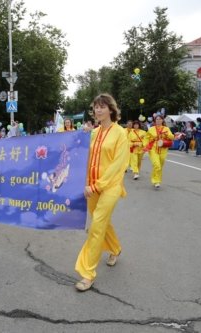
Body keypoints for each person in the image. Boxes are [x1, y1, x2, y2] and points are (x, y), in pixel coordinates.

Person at [74, 93, 129, 292]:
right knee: (102, 221)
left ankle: (87, 273)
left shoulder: (120, 133)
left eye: (102, 107)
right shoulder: (94, 133)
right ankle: (115, 249)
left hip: (110, 187)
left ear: (111, 110)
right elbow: (86, 159)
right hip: (91, 186)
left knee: (97, 225)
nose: (98, 110)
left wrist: (98, 185)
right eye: (96, 107)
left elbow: (118, 165)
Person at [143, 115, 174, 189]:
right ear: (155, 120)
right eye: (157, 119)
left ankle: (155, 178)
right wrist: (146, 145)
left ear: (162, 120)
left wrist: (167, 134)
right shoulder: (151, 129)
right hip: (153, 148)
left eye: (160, 119)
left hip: (163, 148)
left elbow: (172, 137)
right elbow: (146, 138)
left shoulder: (166, 128)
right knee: (157, 165)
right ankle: (156, 181)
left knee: (160, 165)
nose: (158, 120)